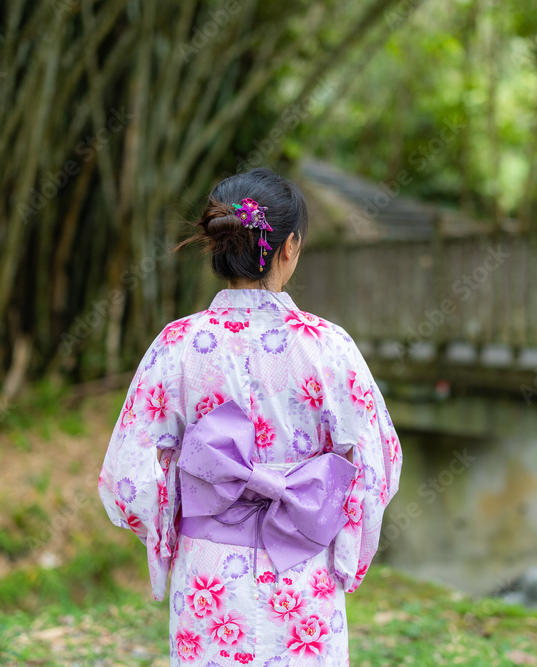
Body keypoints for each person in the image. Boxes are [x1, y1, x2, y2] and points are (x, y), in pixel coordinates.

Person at [97, 167, 402, 665]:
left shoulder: (177, 344)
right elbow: (378, 465)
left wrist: (172, 530)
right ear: (290, 247)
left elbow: (128, 478)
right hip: (303, 566)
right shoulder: (329, 347)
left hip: (209, 576)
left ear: (219, 247)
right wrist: (347, 552)